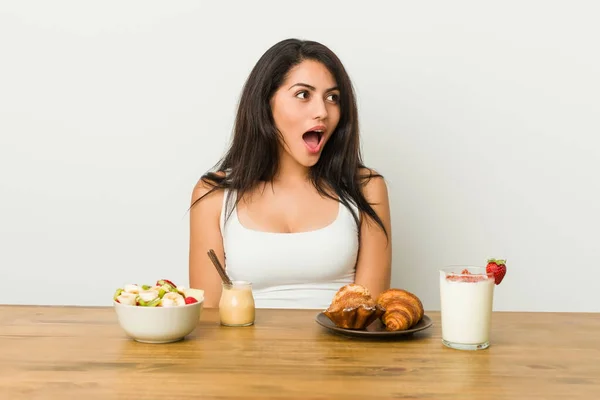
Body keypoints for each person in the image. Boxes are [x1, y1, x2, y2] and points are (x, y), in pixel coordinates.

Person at [188, 38, 392, 309]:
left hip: (343, 351)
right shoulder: (213, 194)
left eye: (332, 98)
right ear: (265, 103)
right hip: (242, 351)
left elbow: (368, 315)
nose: (323, 112)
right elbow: (209, 318)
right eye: (303, 95)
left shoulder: (366, 188)